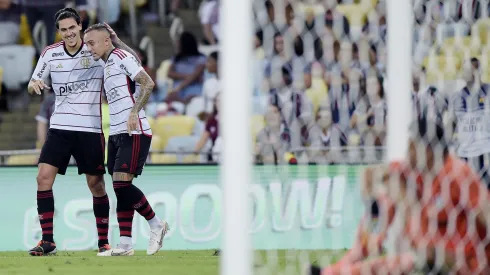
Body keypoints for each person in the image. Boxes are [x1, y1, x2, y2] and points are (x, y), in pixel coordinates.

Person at [308, 117, 490, 274]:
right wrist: (374, 211)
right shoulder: (416, 170)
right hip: (429, 248)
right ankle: (352, 257)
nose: (407, 153)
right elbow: (370, 175)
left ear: (427, 151)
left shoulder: (458, 175)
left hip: (466, 261)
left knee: (397, 188)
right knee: (389, 187)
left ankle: (333, 272)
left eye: (412, 147)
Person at [27, 8, 138, 256]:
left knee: (96, 185)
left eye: (72, 28)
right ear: (59, 32)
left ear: (80, 26)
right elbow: (33, 81)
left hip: (89, 129)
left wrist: (117, 41)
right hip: (59, 127)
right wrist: (34, 84)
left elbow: (132, 62)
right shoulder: (50, 53)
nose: (68, 33)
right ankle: (47, 241)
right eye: (63, 29)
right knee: (43, 178)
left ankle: (103, 242)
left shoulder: (95, 52)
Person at [84, 23, 168, 256]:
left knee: (121, 184)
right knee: (121, 187)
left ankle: (156, 224)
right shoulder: (108, 61)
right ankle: (125, 245)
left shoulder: (120, 56)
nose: (89, 48)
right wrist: (117, 40)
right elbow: (132, 58)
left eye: (92, 43)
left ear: (105, 42)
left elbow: (148, 82)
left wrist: (133, 112)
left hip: (135, 130)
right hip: (117, 133)